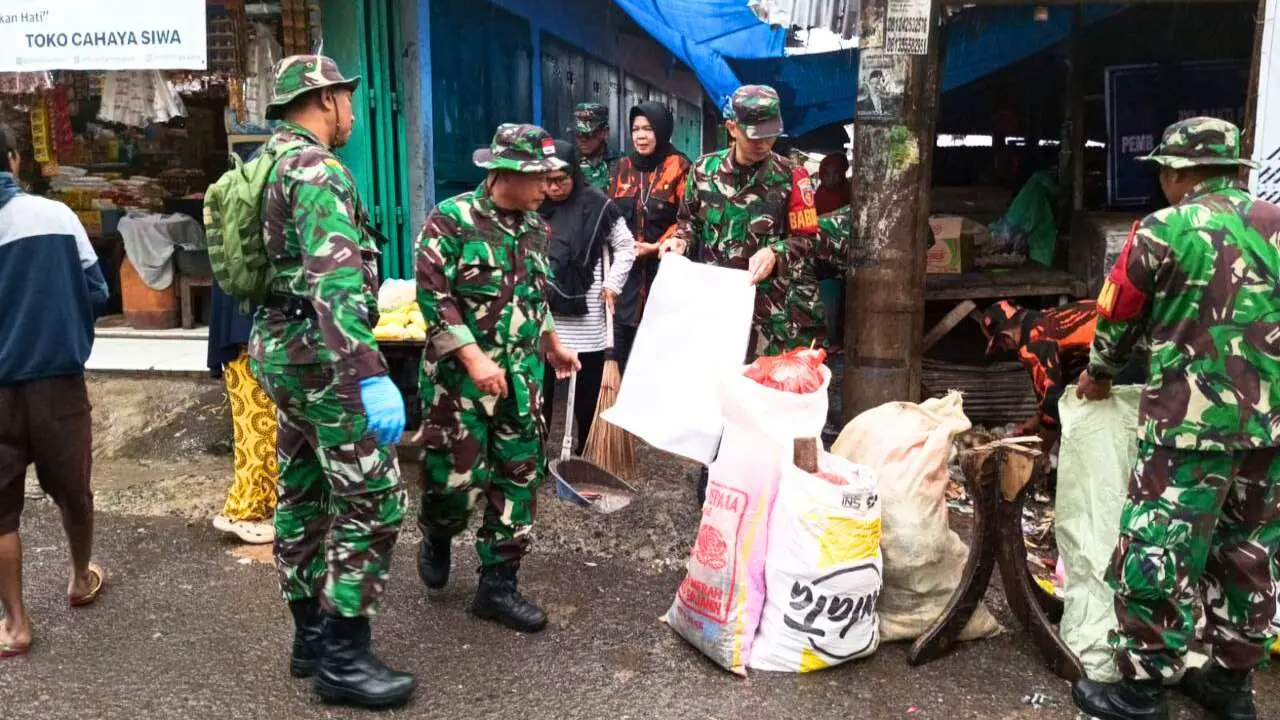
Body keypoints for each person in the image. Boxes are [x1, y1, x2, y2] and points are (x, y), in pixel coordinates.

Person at [1071, 117, 1280, 720]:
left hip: (1189, 423)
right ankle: (1230, 684)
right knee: (1250, 549)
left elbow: (1118, 313)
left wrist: (1101, 372)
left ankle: (1142, 690)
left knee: (1158, 547)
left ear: (1177, 173)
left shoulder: (1164, 229)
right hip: (1270, 426)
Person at [249, 55, 414, 708]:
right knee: (374, 498)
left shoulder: (264, 162)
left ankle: (308, 637)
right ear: (325, 101)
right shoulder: (316, 168)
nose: (351, 112)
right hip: (325, 358)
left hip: (283, 354)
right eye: (346, 99)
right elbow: (335, 280)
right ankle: (343, 655)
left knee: (305, 484)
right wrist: (370, 373)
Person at [414, 124, 581, 634]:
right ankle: (438, 531)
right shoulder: (450, 221)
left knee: (519, 473)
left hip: (523, 378)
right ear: (506, 173)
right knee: (454, 481)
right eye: (540, 178)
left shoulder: (536, 228)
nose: (549, 187)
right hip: (459, 385)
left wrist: (550, 342)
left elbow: (532, 296)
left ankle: (497, 585)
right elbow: (434, 297)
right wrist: (474, 360)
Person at [0, 122, 109, 658]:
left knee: (1, 513)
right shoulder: (56, 216)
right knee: (74, 491)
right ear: (15, 161)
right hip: (57, 384)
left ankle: (16, 624)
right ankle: (78, 577)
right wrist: (60, 324)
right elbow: (97, 289)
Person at [659, 84, 817, 357]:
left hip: (771, 316)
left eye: (771, 136)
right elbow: (689, 223)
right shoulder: (703, 171)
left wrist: (775, 252)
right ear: (732, 128)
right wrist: (680, 242)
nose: (765, 145)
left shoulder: (792, 176)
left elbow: (807, 239)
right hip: (717, 309)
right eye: (755, 137)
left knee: (764, 393)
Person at [539, 140, 635, 453]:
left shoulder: (596, 203)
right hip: (544, 309)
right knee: (541, 387)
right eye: (547, 179)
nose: (553, 187)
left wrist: (613, 284)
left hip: (588, 311)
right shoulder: (533, 202)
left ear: (574, 174)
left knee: (587, 387)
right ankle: (534, 453)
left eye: (561, 179)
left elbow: (625, 246)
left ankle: (585, 451)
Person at [980, 299, 1144, 440]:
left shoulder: (1032, 345)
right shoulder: (1047, 318)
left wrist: (1041, 451)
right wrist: (1032, 424)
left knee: (1058, 404)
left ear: (1004, 336)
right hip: (1142, 340)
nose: (1005, 349)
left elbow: (1051, 407)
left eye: (1000, 345)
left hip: (1126, 356)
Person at [608, 101, 692, 371]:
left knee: (659, 361)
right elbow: (609, 215)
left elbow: (688, 218)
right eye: (636, 129)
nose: (641, 136)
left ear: (662, 129)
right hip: (626, 279)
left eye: (648, 128)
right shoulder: (622, 167)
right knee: (622, 357)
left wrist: (656, 247)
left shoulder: (679, 166)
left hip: (664, 276)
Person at [208, 286, 278, 545]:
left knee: (264, 426)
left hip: (247, 331)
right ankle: (244, 509)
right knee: (257, 429)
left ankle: (265, 503)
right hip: (250, 335)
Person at [573, 102, 618, 192]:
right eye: (578, 134)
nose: (583, 140)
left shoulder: (622, 163)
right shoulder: (570, 163)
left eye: (588, 134)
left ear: (605, 132)